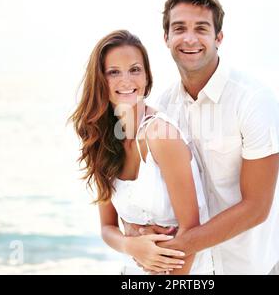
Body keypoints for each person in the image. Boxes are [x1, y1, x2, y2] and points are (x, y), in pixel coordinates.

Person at [122, 0, 279, 275]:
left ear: (218, 38)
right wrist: (137, 235)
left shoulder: (253, 100)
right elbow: (145, 190)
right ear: (166, 39)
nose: (189, 38)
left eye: (201, 28)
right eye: (179, 29)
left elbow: (257, 207)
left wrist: (172, 248)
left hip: (251, 268)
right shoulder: (161, 108)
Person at [69, 29, 214, 274]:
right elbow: (107, 228)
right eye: (113, 72)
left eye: (135, 69)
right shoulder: (103, 141)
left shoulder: (160, 135)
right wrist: (132, 245)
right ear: (100, 81)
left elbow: (191, 233)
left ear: (147, 77)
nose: (126, 80)